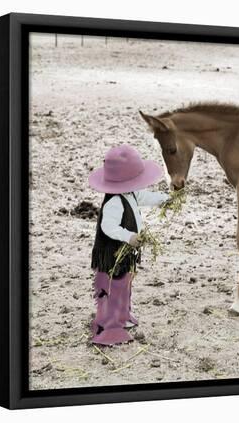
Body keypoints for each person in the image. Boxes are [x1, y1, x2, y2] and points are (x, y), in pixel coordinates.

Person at [88, 144, 169, 346]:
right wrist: (129, 237)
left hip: (124, 253)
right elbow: (108, 226)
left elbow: (145, 197)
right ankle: (109, 329)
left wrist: (164, 200)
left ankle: (123, 315)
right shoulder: (114, 201)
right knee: (112, 287)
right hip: (112, 255)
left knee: (125, 283)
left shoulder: (130, 193)